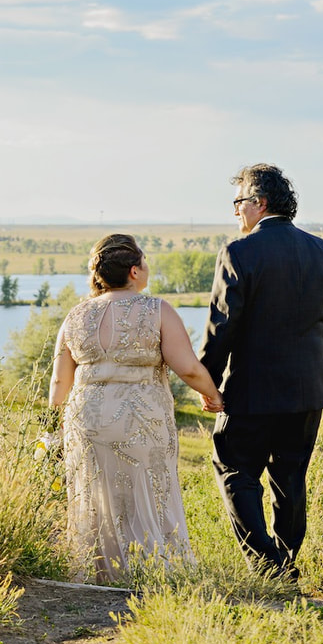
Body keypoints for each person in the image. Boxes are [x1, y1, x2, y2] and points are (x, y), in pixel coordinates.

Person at [198, 163, 323, 582]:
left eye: (239, 202)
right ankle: (286, 558)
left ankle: (267, 565)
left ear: (259, 203)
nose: (236, 212)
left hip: (251, 391)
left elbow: (222, 325)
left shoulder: (239, 252)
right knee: (290, 477)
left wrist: (206, 382)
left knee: (233, 469)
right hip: (308, 390)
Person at [49, 234, 224, 583]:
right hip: (140, 418)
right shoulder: (157, 310)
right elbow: (187, 367)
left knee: (96, 493)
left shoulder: (76, 315)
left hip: (86, 417)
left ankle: (98, 571)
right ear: (133, 271)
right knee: (148, 490)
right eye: (144, 262)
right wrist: (213, 396)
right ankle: (154, 569)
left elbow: (59, 383)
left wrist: (54, 426)